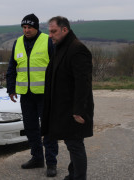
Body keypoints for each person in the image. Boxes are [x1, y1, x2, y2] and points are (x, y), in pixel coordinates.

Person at [41, 16, 94, 180]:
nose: (50, 35)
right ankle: (73, 175)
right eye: (49, 31)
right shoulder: (62, 47)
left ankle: (79, 177)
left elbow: (83, 83)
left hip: (74, 110)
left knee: (75, 144)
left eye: (53, 31)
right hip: (64, 108)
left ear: (65, 30)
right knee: (72, 144)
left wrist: (78, 110)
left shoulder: (77, 49)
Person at [6, 13, 59, 177]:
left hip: (45, 94)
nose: (26, 30)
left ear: (36, 27)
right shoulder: (18, 43)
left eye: (29, 27)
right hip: (26, 95)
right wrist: (11, 88)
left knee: (48, 129)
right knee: (30, 128)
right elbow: (12, 68)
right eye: (24, 27)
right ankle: (37, 158)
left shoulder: (48, 41)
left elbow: (58, 67)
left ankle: (51, 163)